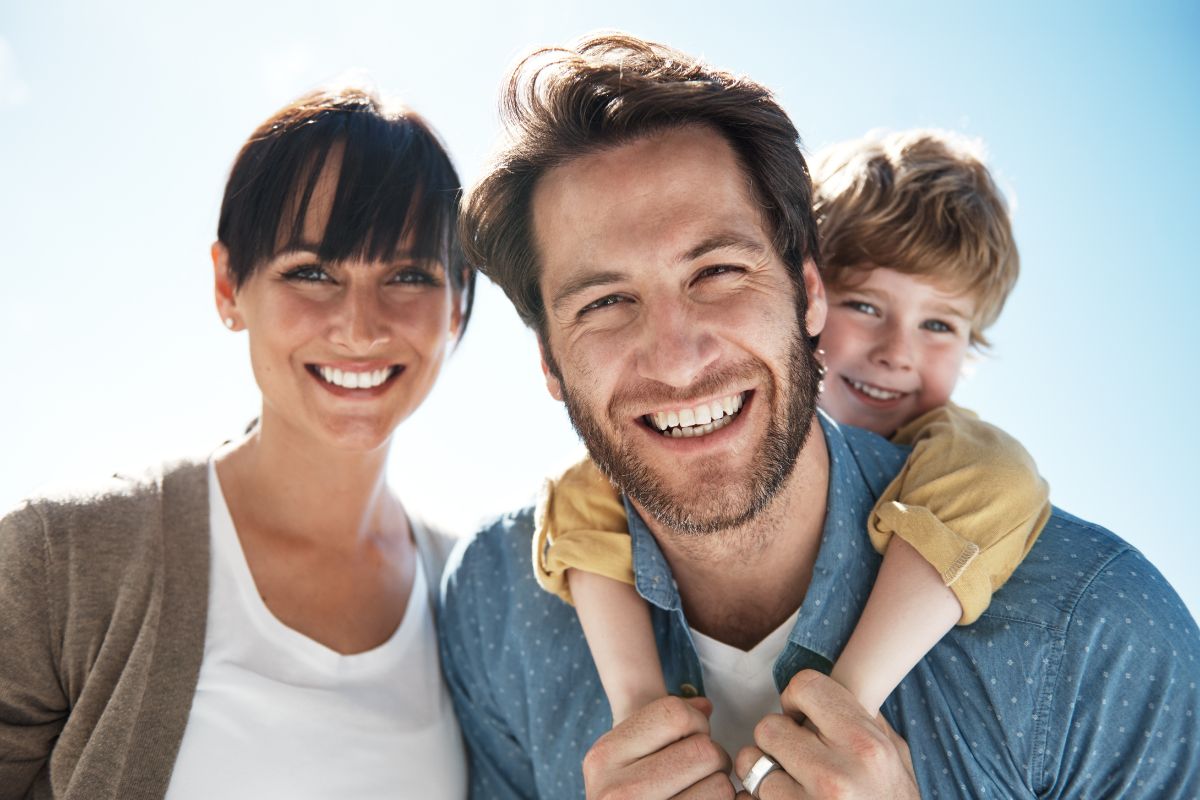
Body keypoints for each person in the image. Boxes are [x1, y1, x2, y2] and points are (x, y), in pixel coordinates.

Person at [439, 32, 1200, 799]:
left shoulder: (1097, 635)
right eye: (605, 302)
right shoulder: (496, 607)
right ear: (548, 364)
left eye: (718, 272)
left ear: (807, 295)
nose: (676, 358)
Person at [0, 85, 474, 799]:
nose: (360, 326)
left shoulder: (473, 597)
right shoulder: (60, 557)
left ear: (459, 306)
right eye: (311, 272)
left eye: (409, 275)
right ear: (228, 286)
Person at [533, 128, 1050, 727]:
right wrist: (639, 710)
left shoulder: (965, 455)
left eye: (939, 326)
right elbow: (580, 493)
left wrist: (846, 705)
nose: (896, 353)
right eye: (866, 307)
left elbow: (996, 480)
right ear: (808, 298)